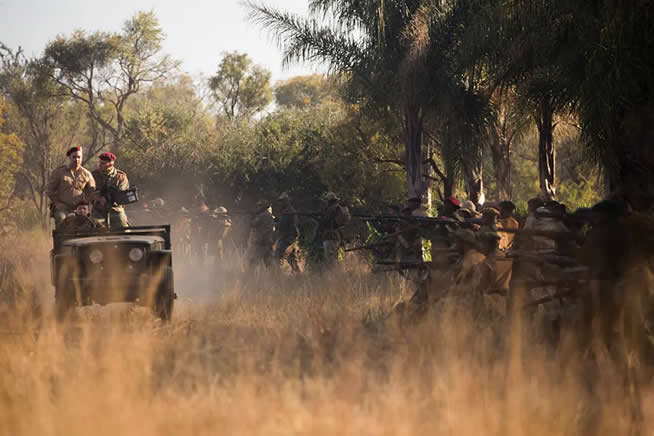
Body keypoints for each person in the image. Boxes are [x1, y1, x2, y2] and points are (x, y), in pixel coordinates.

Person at [46, 146, 96, 228]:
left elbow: (92, 192)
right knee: (61, 219)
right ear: (69, 157)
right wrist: (57, 203)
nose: (76, 159)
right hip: (63, 208)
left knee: (92, 222)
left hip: (80, 209)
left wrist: (88, 206)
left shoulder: (87, 174)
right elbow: (50, 190)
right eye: (74, 157)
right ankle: (62, 240)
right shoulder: (59, 172)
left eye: (78, 157)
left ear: (81, 158)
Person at [91, 152, 129, 228]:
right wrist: (98, 197)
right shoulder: (94, 175)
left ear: (111, 164)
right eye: (100, 163)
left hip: (115, 209)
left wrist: (108, 196)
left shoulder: (120, 176)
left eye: (103, 163)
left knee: (124, 229)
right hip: (98, 210)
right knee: (95, 231)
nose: (100, 165)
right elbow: (89, 191)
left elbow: (121, 193)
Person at [316, 192, 350, 267]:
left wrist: (318, 219)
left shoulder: (331, 209)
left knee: (331, 261)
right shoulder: (336, 208)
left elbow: (325, 222)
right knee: (334, 258)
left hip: (330, 236)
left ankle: (333, 275)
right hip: (336, 236)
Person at [274, 193, 300, 272]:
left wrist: (275, 224)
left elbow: (283, 225)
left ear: (286, 201)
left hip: (287, 238)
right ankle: (299, 276)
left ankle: (277, 275)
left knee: (277, 256)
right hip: (289, 238)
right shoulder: (287, 211)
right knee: (292, 259)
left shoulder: (288, 211)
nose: (280, 203)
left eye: (282, 201)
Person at [249, 199, 275, 267]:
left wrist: (252, 217)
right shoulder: (269, 215)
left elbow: (252, 224)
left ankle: (250, 277)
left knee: (253, 262)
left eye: (259, 206)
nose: (258, 207)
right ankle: (272, 276)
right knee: (268, 263)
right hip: (269, 241)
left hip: (262, 242)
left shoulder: (262, 216)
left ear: (263, 207)